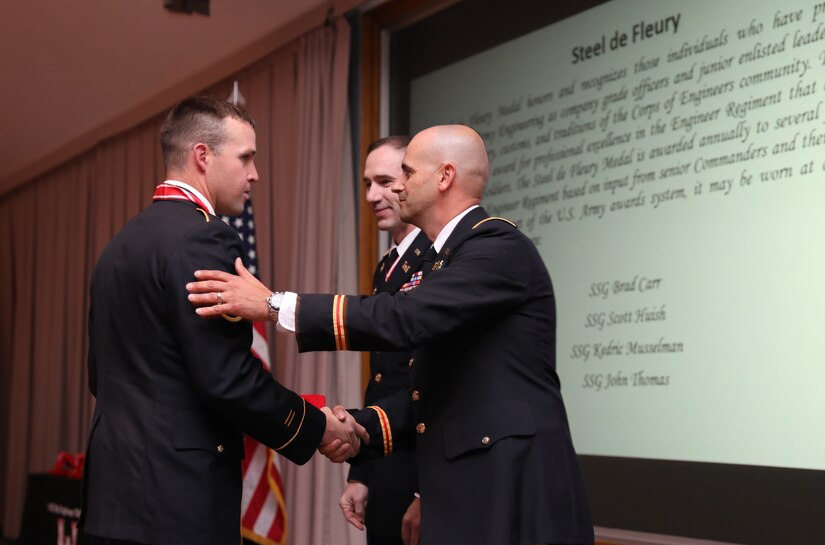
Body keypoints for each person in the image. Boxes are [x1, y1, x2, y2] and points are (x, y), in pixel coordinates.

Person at [186, 124, 594, 545]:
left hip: (511, 485)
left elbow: (403, 316)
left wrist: (275, 306)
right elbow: (430, 393)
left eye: (408, 173)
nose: (398, 186)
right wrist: (353, 428)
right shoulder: (446, 260)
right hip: (471, 485)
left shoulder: (495, 245)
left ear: (444, 177)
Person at [80, 96, 366, 545]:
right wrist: (318, 426)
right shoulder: (203, 237)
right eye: (246, 157)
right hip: (177, 503)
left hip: (109, 501)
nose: (254, 174)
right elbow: (227, 379)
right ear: (202, 156)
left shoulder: (117, 247)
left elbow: (101, 377)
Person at [338, 136, 431, 545]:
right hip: (387, 459)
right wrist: (362, 471)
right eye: (366, 183)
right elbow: (382, 379)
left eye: (385, 181)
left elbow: (442, 385)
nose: (373, 195)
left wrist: (428, 492)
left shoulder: (437, 259)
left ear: (411, 182)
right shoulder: (387, 267)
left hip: (421, 468)